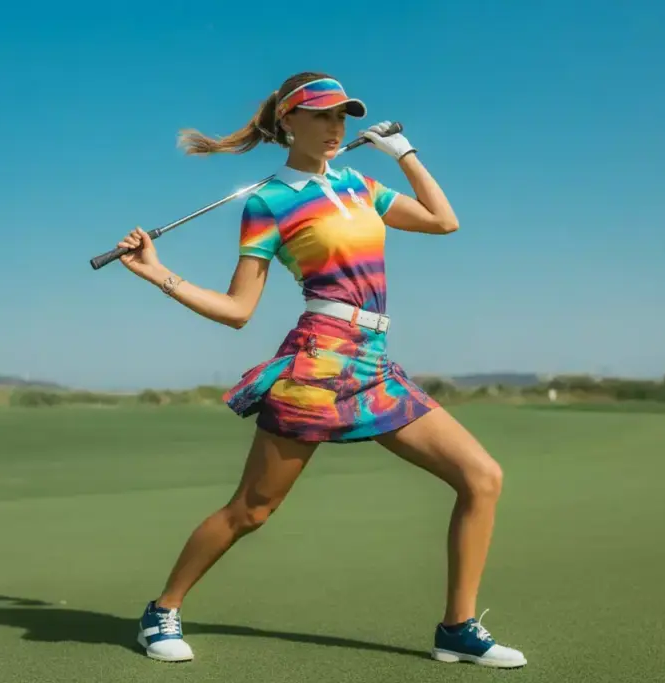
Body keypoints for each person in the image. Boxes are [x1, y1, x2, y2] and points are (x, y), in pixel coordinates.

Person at [115, 71, 527, 669]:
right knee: (252, 510)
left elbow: (443, 221)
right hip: (318, 362)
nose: (336, 127)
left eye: (343, 117)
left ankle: (458, 630)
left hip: (375, 364)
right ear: (288, 122)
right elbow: (237, 311)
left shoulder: (361, 184)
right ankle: (162, 610)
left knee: (482, 478)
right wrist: (160, 274)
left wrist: (405, 155)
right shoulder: (267, 202)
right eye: (322, 115)